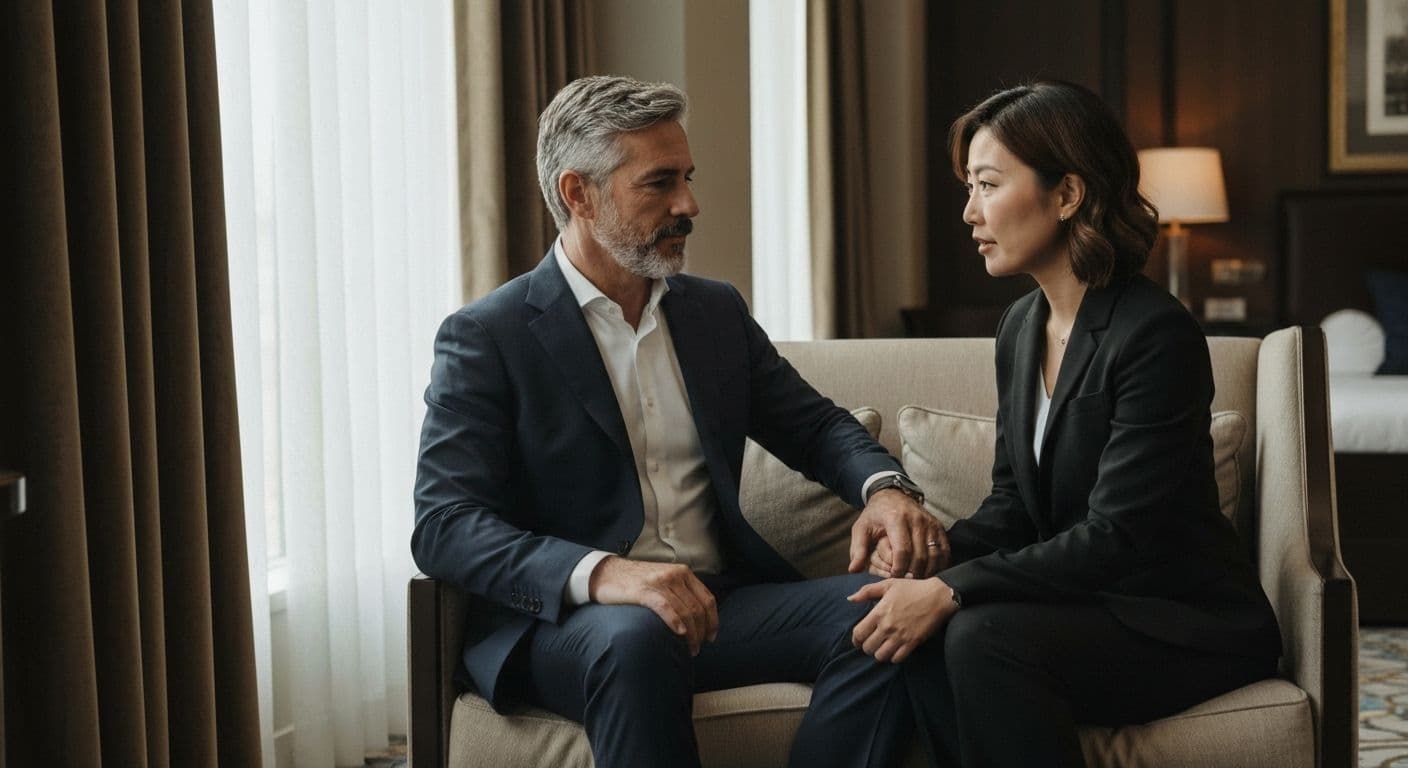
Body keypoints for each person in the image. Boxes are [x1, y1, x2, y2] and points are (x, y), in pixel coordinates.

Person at [411, 74, 944, 768]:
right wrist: (607, 575)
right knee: (635, 639)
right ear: (579, 194)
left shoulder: (713, 312)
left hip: (724, 603)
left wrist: (886, 489)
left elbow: (813, 426)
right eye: (658, 183)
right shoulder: (489, 335)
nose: (689, 204)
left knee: (896, 614)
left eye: (687, 178)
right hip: (572, 625)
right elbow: (445, 524)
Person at [846, 80, 1283, 766]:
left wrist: (951, 589)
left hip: (1177, 621)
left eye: (987, 185)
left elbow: (1119, 537)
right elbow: (1014, 505)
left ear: (1068, 194)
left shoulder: (1153, 333)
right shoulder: (1020, 326)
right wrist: (925, 561)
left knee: (978, 633)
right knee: (909, 622)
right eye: (969, 188)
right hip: (1084, 610)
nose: (969, 213)